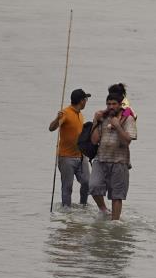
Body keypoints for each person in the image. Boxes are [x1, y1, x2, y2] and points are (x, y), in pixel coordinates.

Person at [89, 92, 138, 221]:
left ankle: (115, 222)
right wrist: (95, 121)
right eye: (108, 103)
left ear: (120, 104)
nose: (111, 106)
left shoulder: (128, 118)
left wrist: (117, 126)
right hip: (100, 159)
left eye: (114, 104)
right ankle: (104, 210)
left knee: (117, 195)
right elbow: (94, 141)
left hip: (120, 161)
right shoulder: (103, 118)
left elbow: (127, 141)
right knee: (93, 186)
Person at [48, 88, 91, 207]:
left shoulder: (80, 114)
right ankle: (66, 211)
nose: (86, 102)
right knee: (67, 187)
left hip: (81, 156)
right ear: (81, 101)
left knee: (87, 182)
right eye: (86, 99)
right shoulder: (65, 113)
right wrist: (57, 118)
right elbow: (51, 128)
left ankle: (83, 206)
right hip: (66, 157)